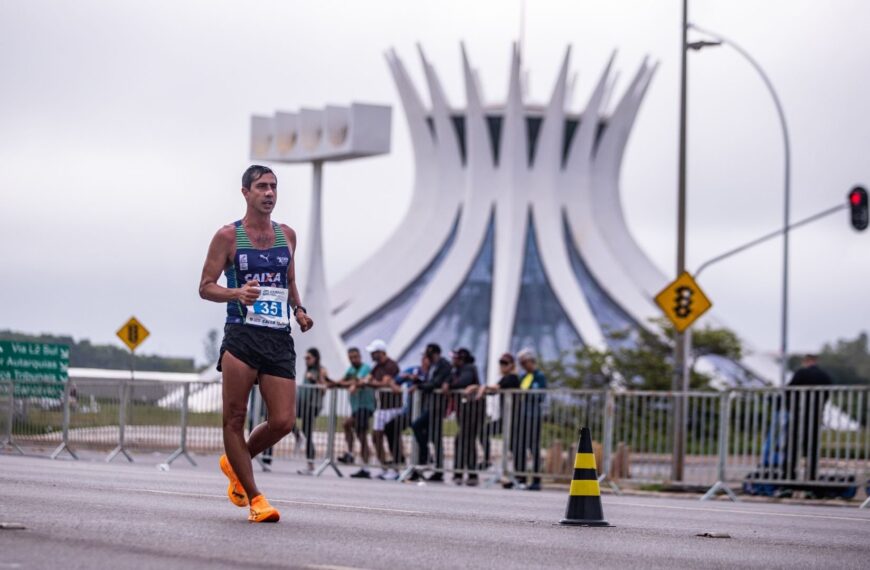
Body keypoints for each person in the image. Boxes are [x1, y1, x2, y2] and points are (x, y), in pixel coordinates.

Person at [199, 164, 314, 523]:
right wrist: (236, 292)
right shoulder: (228, 237)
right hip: (242, 335)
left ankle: (235, 461)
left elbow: (290, 278)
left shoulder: (288, 236)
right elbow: (205, 286)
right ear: (245, 192)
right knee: (234, 418)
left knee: (282, 421)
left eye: (274, 187)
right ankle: (256, 499)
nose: (269, 193)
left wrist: (299, 309)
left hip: (278, 336)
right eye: (261, 187)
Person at [466, 352, 520, 475]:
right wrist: (480, 389)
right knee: (484, 432)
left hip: (513, 418)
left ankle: (518, 475)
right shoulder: (505, 378)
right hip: (505, 417)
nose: (502, 365)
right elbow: (492, 391)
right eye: (501, 363)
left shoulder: (512, 377)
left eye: (505, 363)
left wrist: (480, 387)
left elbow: (494, 388)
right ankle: (487, 460)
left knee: (514, 445)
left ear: (512, 365)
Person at [785, 354, 832, 482]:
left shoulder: (801, 373)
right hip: (816, 415)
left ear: (805, 361)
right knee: (812, 448)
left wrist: (790, 407)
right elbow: (827, 394)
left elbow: (789, 390)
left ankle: (790, 477)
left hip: (799, 415)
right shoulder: (824, 375)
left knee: (792, 448)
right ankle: (811, 477)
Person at [410, 343, 452, 482]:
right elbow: (432, 381)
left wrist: (420, 386)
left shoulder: (444, 364)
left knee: (432, 435)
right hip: (430, 404)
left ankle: (433, 464)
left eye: (429, 355)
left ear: (435, 353)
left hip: (437, 406)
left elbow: (436, 383)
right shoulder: (434, 365)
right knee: (430, 434)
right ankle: (429, 461)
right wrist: (420, 382)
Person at [365, 339, 402, 480]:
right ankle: (385, 467)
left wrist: (371, 383)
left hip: (393, 407)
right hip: (382, 408)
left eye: (373, 352)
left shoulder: (391, 365)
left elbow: (384, 383)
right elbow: (369, 379)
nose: (371, 355)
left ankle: (396, 467)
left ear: (380, 352)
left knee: (393, 437)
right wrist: (370, 382)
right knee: (376, 437)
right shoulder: (376, 366)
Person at [513, 348, 547, 491]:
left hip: (533, 415)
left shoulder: (539, 376)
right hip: (522, 416)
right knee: (519, 446)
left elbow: (540, 395)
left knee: (533, 448)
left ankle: (536, 479)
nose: (523, 365)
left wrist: (527, 395)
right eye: (521, 363)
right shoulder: (523, 376)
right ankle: (520, 477)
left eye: (524, 362)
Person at [449, 347, 483, 486]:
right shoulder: (458, 370)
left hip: (472, 412)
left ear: (461, 359)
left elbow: (464, 382)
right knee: (463, 442)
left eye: (455, 358)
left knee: (466, 442)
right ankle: (465, 474)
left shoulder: (468, 368)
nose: (453, 360)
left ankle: (469, 475)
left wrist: (450, 384)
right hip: (464, 412)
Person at [338, 347, 374, 477]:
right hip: (356, 408)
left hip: (366, 406)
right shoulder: (351, 369)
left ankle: (366, 467)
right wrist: (333, 383)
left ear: (360, 356)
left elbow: (357, 381)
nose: (353, 359)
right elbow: (343, 380)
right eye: (351, 357)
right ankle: (350, 453)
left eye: (355, 356)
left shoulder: (365, 368)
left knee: (361, 434)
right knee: (347, 425)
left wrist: (349, 383)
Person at [296, 348, 328, 475]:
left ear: (315, 358)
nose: (306, 361)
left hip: (312, 405)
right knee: (287, 419)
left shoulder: (321, 370)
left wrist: (314, 380)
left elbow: (324, 388)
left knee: (308, 433)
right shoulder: (307, 370)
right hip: (302, 404)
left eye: (309, 358)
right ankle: (298, 436)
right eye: (305, 358)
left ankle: (310, 464)